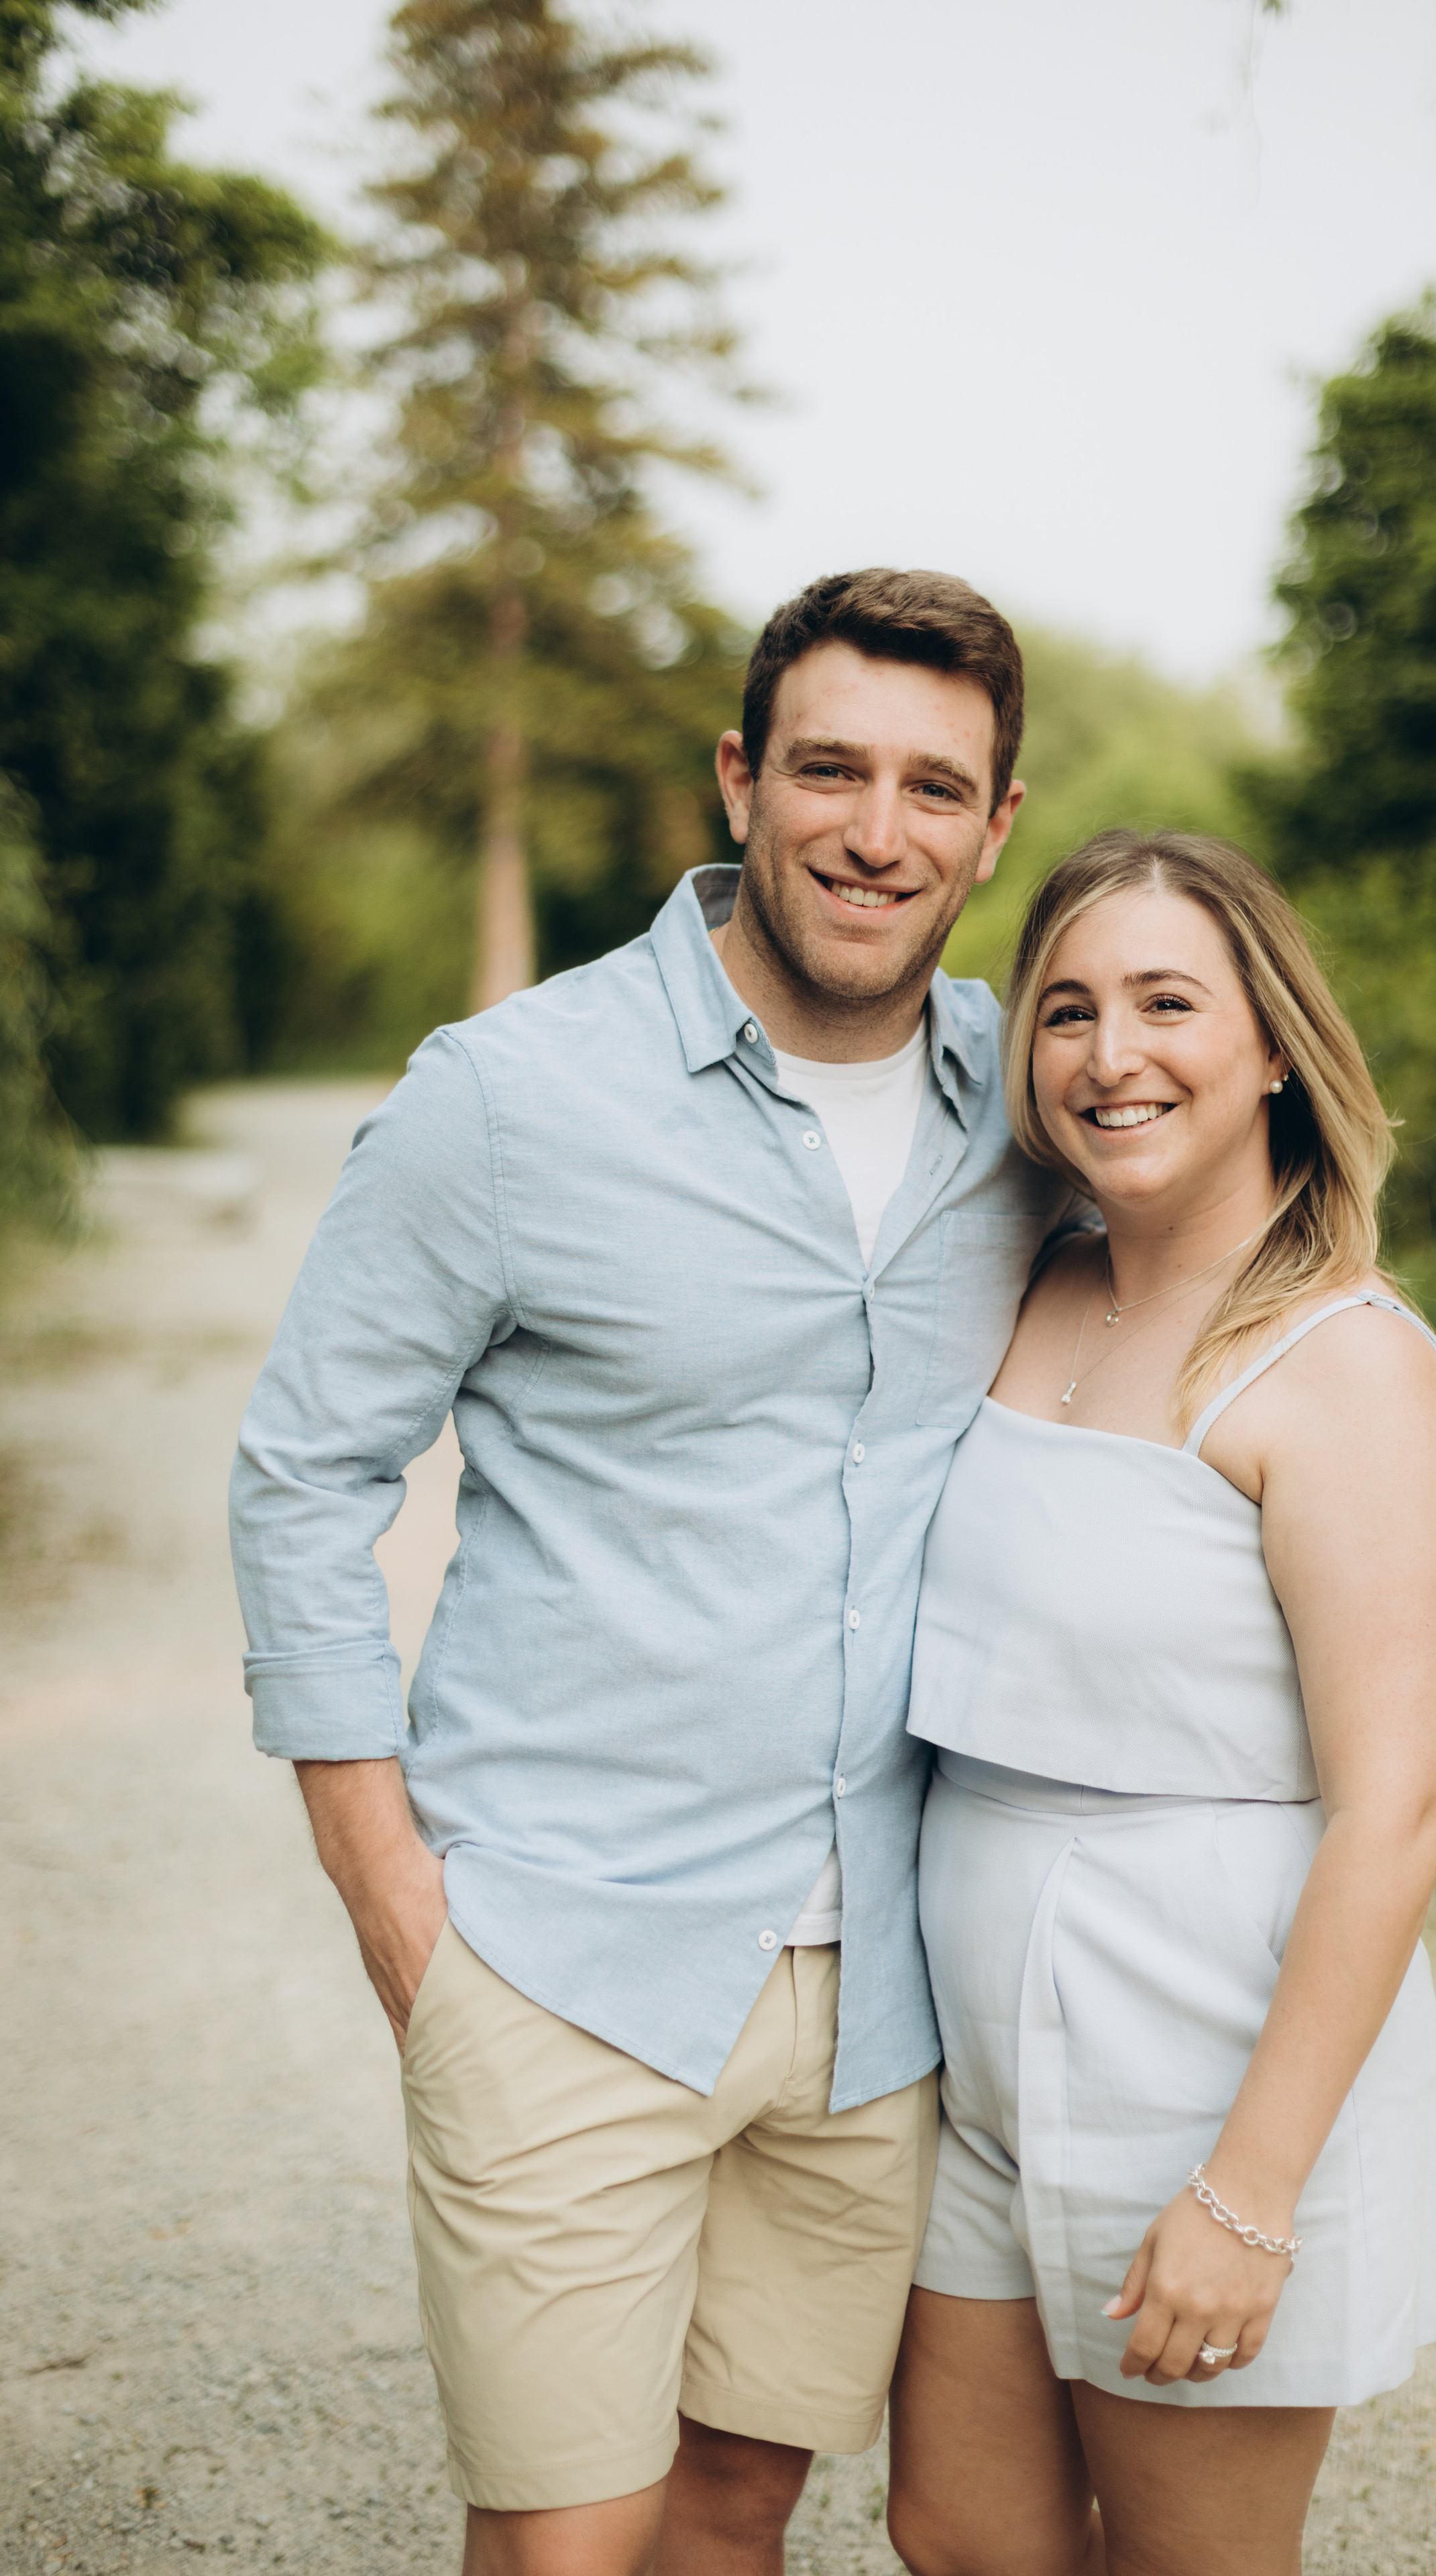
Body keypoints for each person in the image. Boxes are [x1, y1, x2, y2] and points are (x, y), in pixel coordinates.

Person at [228, 569, 1089, 2576]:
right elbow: (300, 1479)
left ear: (997, 825)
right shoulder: (510, 1100)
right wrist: (393, 1903)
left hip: (878, 1986)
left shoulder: (1022, 1103)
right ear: (740, 775)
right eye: (832, 769)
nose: (879, 832)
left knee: (738, 2506)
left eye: (934, 789)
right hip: (564, 1955)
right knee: (568, 2543)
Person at [886, 828, 1436, 2576]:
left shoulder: (1343, 1364)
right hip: (980, 2067)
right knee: (960, 2534)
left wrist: (1251, 2188)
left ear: (1276, 1043)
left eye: (1167, 1002)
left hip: (1202, 2067)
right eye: (1065, 1010)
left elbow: (1400, 1812)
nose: (1108, 1053)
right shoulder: (1034, 1283)